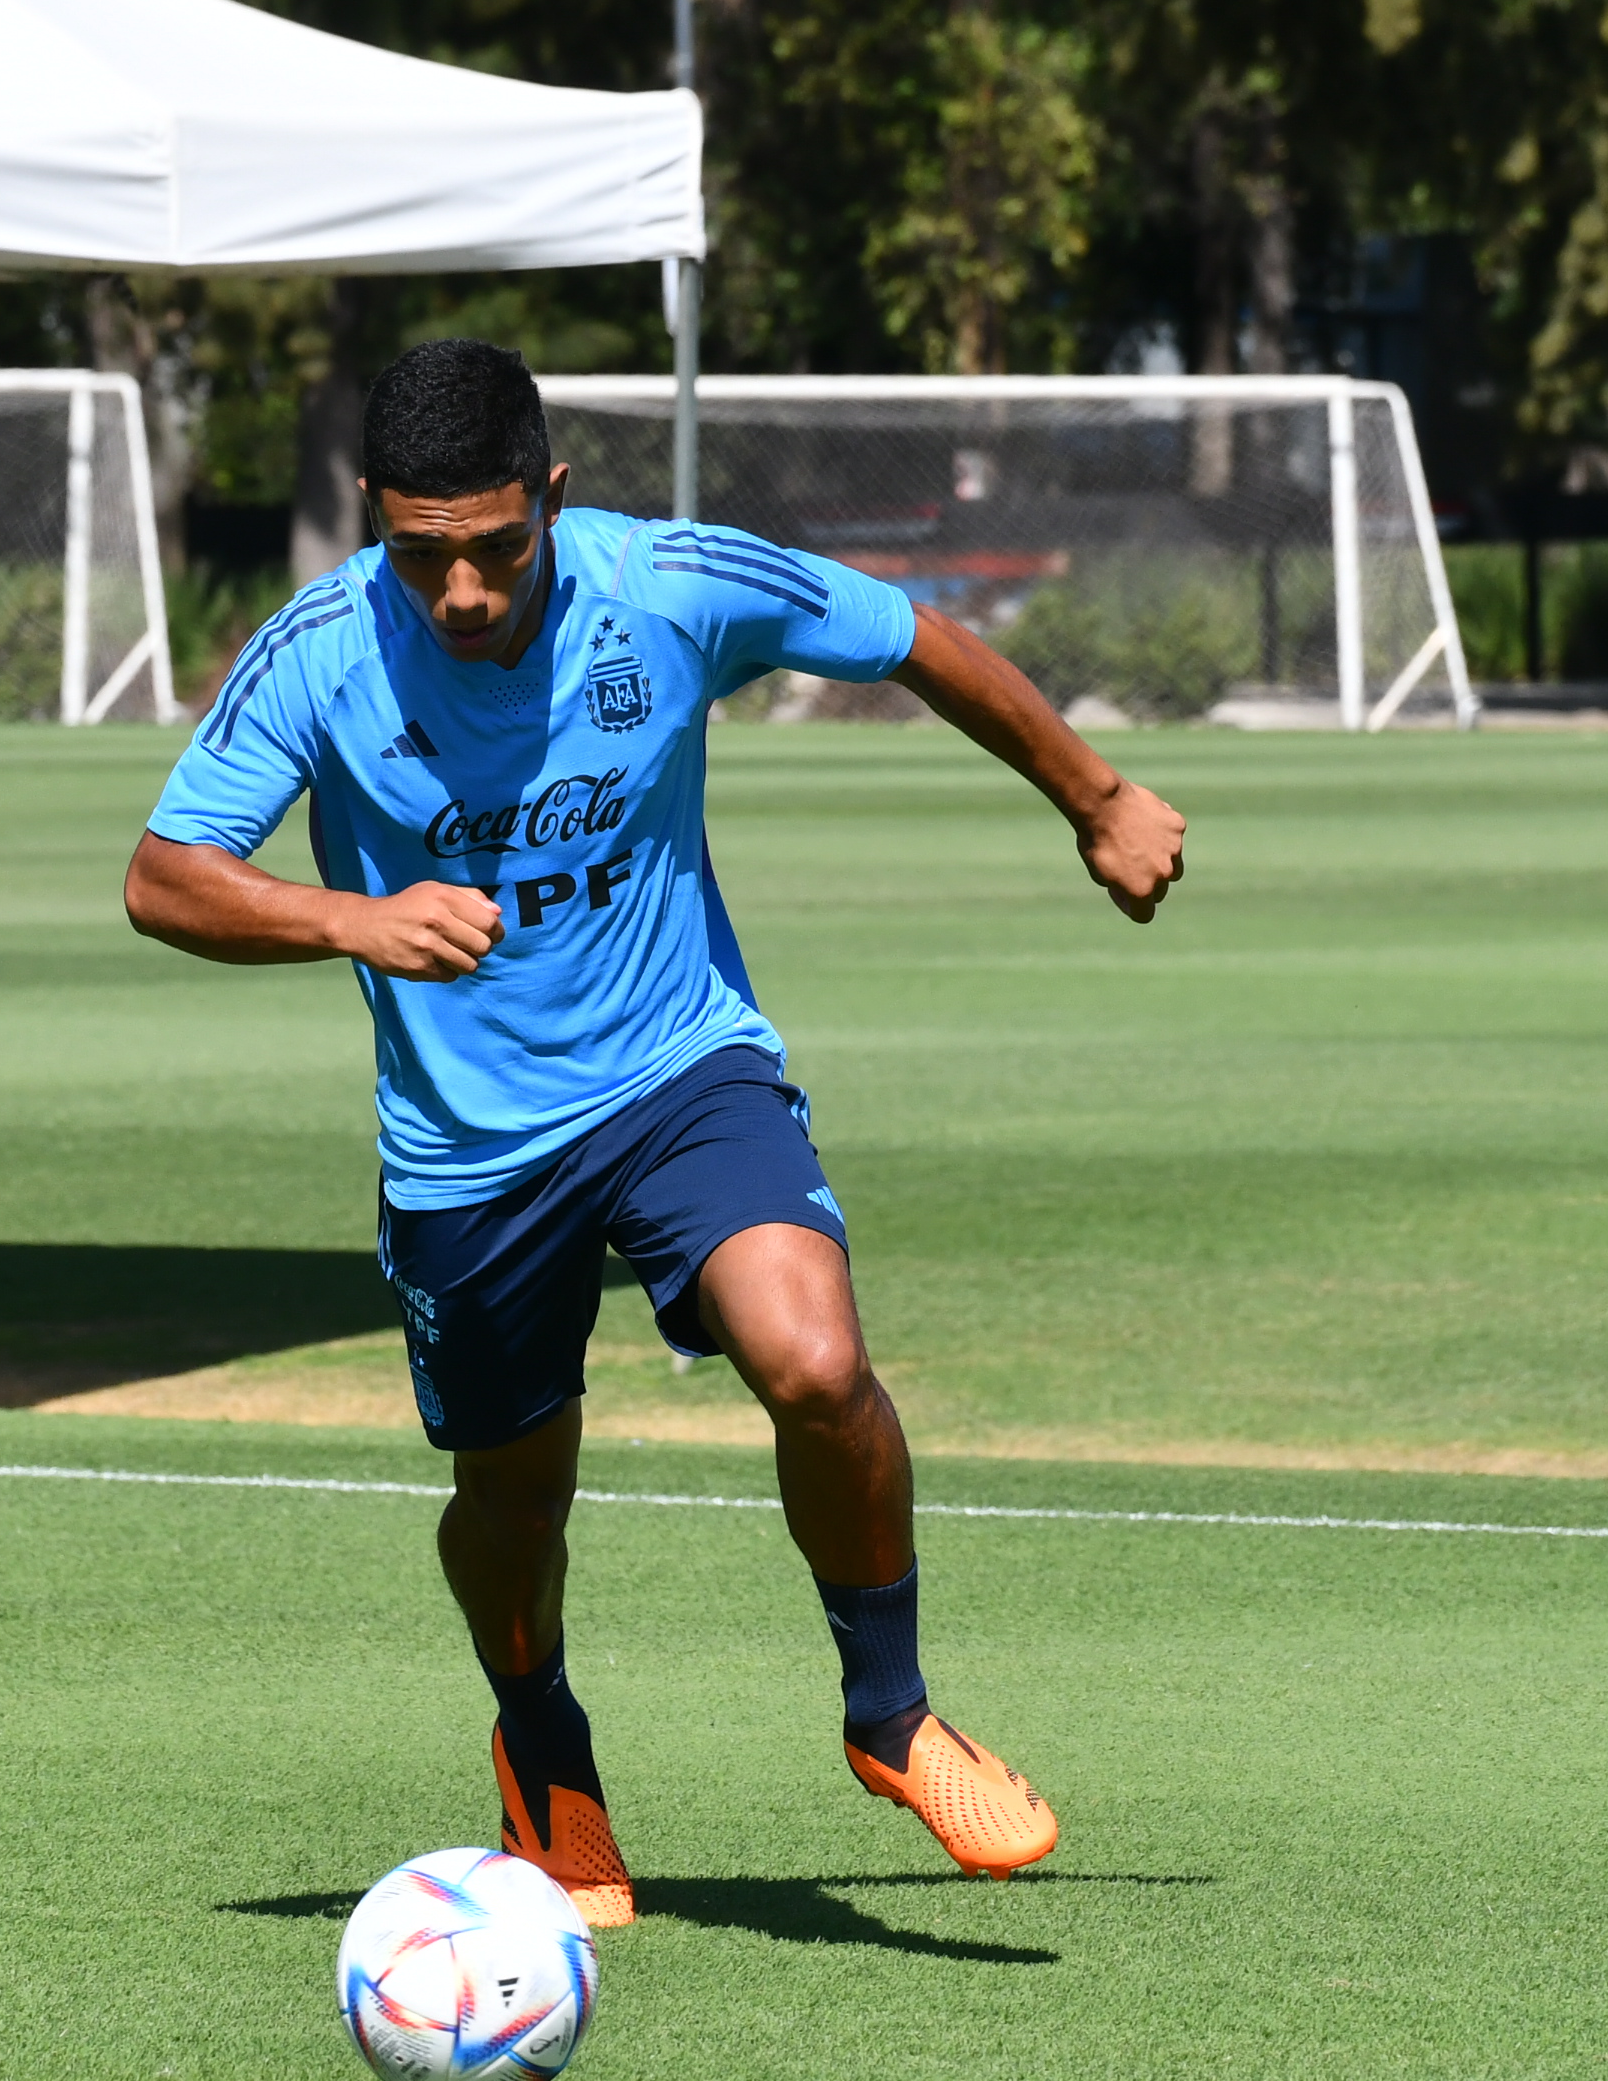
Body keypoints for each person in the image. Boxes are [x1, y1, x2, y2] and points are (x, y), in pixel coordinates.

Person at [124, 339, 1185, 1927]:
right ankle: (543, 1745)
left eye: (497, 545)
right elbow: (164, 877)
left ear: (553, 499)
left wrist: (1095, 797)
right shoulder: (322, 649)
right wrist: (353, 915)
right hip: (471, 1152)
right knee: (512, 1502)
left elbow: (910, 638)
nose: (465, 589)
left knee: (816, 1363)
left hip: (680, 1072)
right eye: (425, 555)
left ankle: (890, 1714)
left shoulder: (670, 586)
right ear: (373, 522)